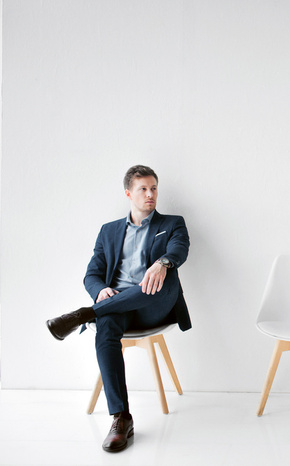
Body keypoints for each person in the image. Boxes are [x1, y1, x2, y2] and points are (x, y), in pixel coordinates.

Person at [46, 165, 191, 453]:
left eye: (154, 188)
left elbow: (179, 248)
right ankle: (121, 418)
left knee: (159, 278)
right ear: (128, 193)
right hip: (118, 305)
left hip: (156, 302)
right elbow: (92, 273)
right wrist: (100, 290)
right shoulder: (109, 231)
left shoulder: (173, 223)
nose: (150, 194)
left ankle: (83, 315)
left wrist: (162, 263)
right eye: (143, 189)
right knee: (108, 325)